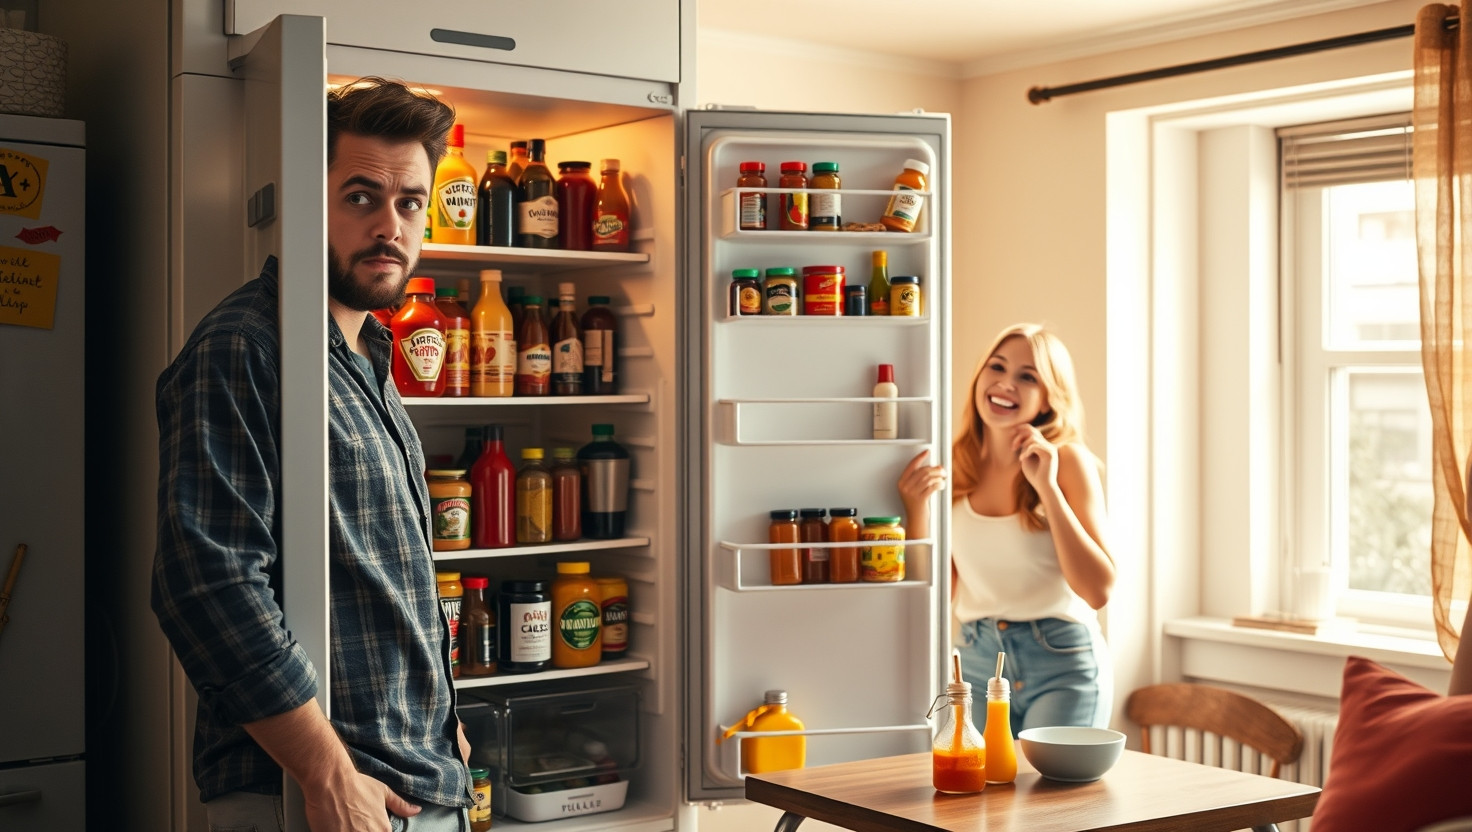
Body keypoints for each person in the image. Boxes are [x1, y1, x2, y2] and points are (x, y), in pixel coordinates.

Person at [152, 78, 470, 832]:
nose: (391, 225)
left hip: (412, 784)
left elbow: (378, 577)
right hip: (312, 798)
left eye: (411, 203)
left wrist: (441, 724)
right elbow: (207, 583)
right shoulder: (247, 347)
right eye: (361, 197)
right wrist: (326, 774)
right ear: (305, 199)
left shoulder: (363, 353)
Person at [898, 323, 1115, 734]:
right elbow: (939, 592)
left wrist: (1046, 488)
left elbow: (1098, 590)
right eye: (996, 367)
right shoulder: (953, 466)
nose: (1005, 383)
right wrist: (916, 511)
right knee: (980, 795)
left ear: (1050, 398)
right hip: (976, 659)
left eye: (1027, 376)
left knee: (1051, 798)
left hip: (1062, 662)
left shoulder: (1067, 461)